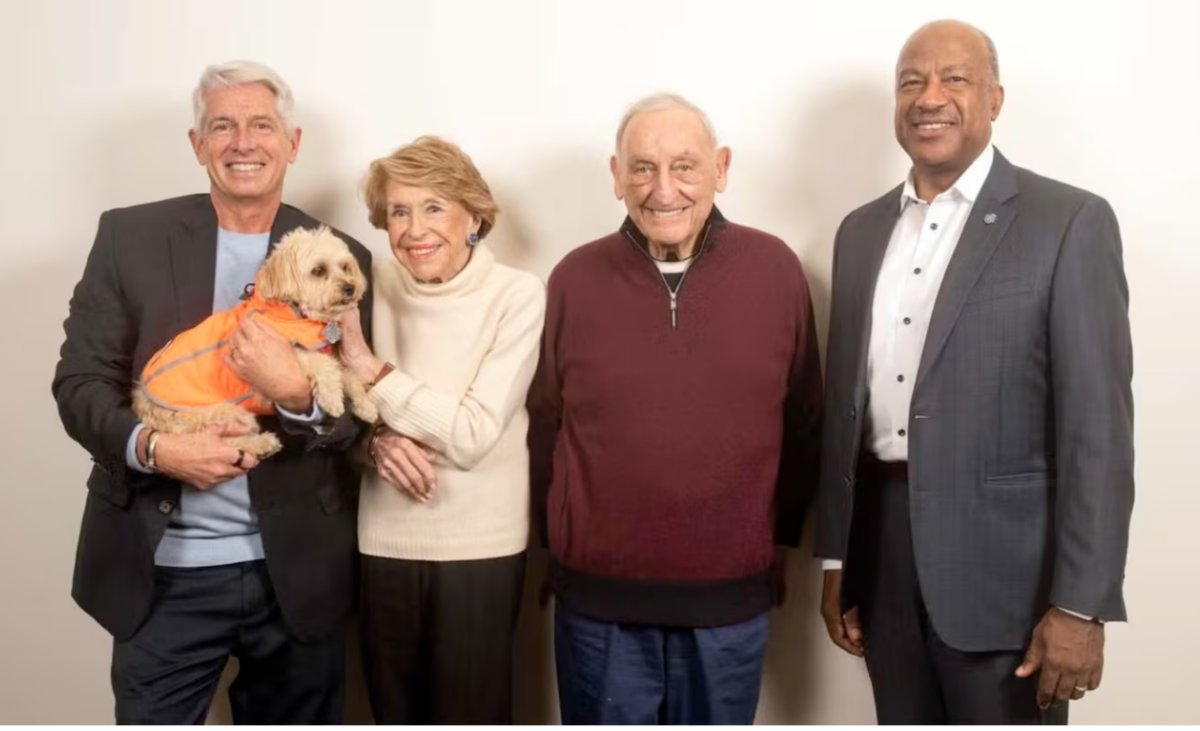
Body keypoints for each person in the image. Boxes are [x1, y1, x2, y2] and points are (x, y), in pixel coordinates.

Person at [814, 20, 1134, 724]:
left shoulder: (1068, 222)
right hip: (883, 561)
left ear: (995, 97)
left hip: (1009, 582)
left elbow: (1098, 433)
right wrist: (838, 559)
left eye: (953, 79)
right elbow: (847, 408)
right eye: (910, 81)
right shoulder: (859, 232)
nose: (929, 97)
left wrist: (1080, 602)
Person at [51, 60, 372, 724]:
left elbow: (353, 423)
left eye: (261, 124)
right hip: (163, 571)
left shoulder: (342, 257)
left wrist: (296, 392)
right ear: (198, 145)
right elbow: (80, 384)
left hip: (297, 575)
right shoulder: (128, 238)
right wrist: (155, 446)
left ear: (293, 142)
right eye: (221, 126)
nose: (243, 142)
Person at [527, 94, 823, 725]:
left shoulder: (775, 270)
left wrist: (778, 544)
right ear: (614, 175)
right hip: (599, 607)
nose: (663, 189)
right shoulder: (573, 279)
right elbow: (544, 428)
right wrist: (555, 547)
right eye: (642, 168)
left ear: (721, 167)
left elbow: (803, 420)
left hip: (728, 604)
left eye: (684, 166)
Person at [334, 136, 545, 724]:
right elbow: (336, 415)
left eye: (433, 207)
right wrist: (371, 444)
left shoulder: (518, 294)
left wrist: (371, 368)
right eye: (399, 211)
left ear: (473, 216)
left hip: (481, 548)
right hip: (381, 542)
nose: (413, 228)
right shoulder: (367, 282)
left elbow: (474, 434)